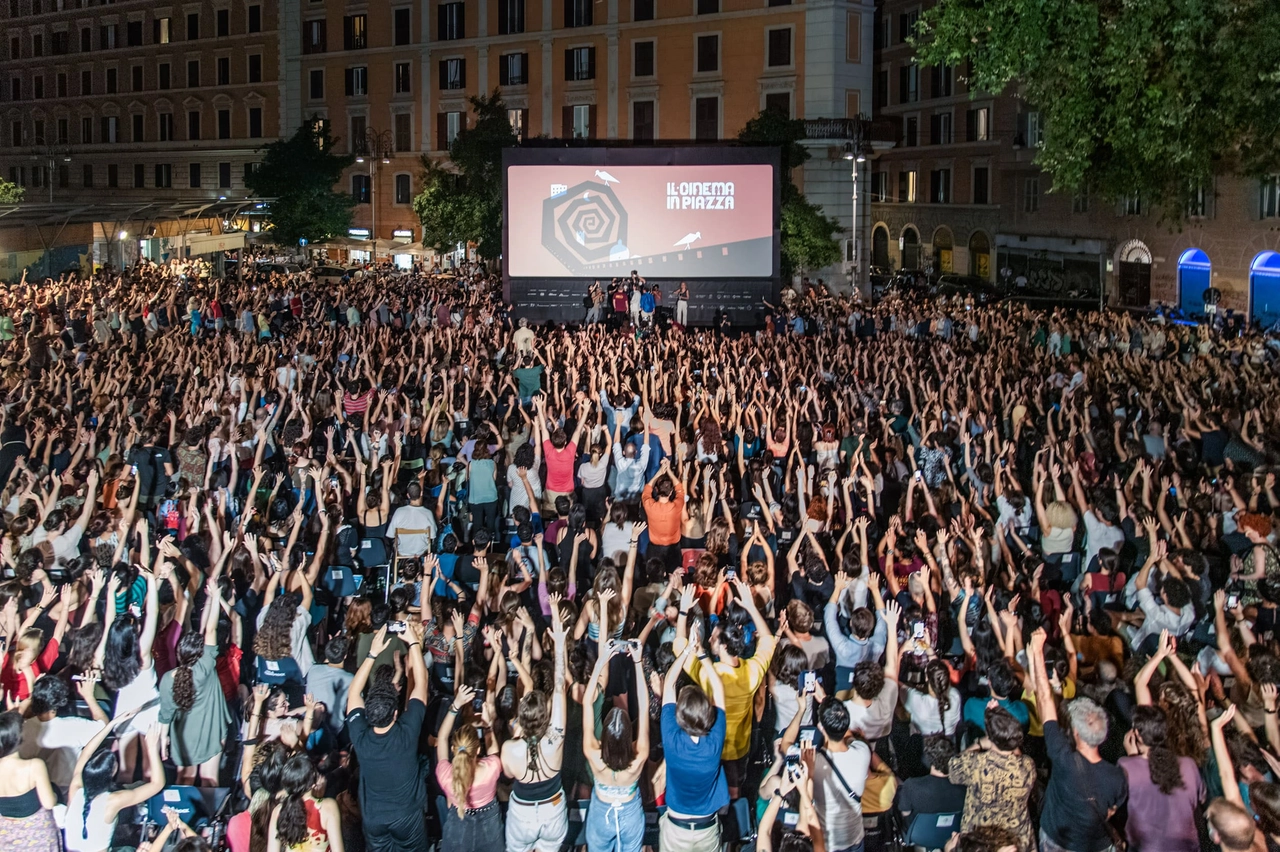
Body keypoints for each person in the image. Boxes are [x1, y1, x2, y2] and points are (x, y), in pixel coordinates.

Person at [1029, 629, 1127, 852]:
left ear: (1076, 733)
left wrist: (1036, 652)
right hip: (1094, 845)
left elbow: (1045, 701)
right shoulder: (1117, 776)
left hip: (1057, 841)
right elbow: (1111, 811)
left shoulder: (1063, 757)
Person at [345, 623, 429, 852]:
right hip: (407, 817)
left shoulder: (361, 737)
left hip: (373, 819)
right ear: (395, 713)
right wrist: (413, 643)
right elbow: (422, 684)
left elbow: (353, 693)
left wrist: (372, 653)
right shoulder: (406, 733)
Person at [158, 577, 232, 785]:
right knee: (209, 779)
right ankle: (207, 816)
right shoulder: (205, 668)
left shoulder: (168, 679)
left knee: (184, 778)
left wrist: (164, 738)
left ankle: (181, 815)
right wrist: (216, 598)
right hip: (210, 730)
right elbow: (210, 630)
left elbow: (165, 714)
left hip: (184, 736)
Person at [660, 629, 728, 852]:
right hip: (705, 827)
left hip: (676, 826)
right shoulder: (714, 741)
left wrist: (688, 649)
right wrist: (701, 655)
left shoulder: (671, 739)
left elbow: (669, 683)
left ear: (679, 714)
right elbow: (718, 688)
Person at [582, 641, 649, 852]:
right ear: (630, 735)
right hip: (630, 813)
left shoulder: (593, 753)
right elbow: (645, 707)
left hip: (602, 813)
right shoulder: (639, 755)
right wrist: (637, 662)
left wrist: (602, 660)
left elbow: (586, 703)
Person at [435, 685, 503, 852]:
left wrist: (455, 706)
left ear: (453, 749)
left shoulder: (446, 775)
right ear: (478, 750)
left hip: (458, 823)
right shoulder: (491, 768)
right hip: (490, 825)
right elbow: (493, 751)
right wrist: (488, 726)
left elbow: (442, 738)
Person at [0, 710, 61, 852]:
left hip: (6, 834)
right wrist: (55, 794)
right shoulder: (34, 766)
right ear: (18, 738)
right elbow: (49, 803)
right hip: (36, 833)